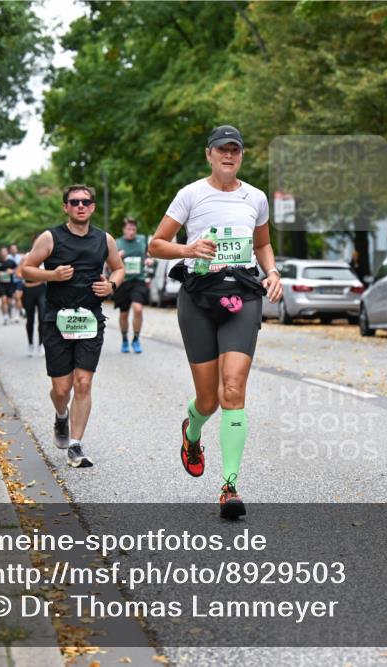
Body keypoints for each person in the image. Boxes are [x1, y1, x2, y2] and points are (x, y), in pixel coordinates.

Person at [148, 125, 283, 519]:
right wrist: (188, 248)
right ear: (209, 154)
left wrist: (271, 272)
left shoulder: (255, 197)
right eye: (222, 150)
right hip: (199, 298)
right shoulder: (190, 194)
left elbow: (262, 244)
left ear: (242, 155)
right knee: (208, 400)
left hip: (242, 294)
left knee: (233, 388)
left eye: (235, 150)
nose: (229, 156)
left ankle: (229, 486)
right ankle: (192, 434)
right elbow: (156, 244)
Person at [21, 185, 124, 468]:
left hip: (90, 318)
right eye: (74, 202)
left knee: (84, 382)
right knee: (62, 388)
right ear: (65, 206)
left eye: (86, 202)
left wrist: (111, 285)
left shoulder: (104, 239)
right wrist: (52, 275)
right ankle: (60, 416)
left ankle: (75, 446)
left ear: (92, 207)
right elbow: (26, 268)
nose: (80, 206)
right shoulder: (50, 237)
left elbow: (119, 267)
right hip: (57, 320)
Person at [113, 217, 149, 353]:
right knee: (124, 314)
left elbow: (148, 255)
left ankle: (136, 339)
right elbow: (110, 263)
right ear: (124, 229)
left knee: (138, 309)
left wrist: (150, 260)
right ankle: (124, 340)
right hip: (123, 281)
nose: (131, 232)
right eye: (129, 229)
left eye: (133, 229)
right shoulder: (117, 243)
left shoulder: (142, 240)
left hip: (138, 280)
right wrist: (117, 256)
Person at [19, 234, 47, 356]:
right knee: (30, 318)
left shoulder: (46, 257)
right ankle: (30, 344)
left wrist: (39, 275)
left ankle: (41, 344)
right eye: (36, 241)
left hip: (41, 289)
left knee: (42, 317)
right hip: (28, 290)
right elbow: (19, 273)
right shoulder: (26, 257)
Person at [0, 245, 18, 324]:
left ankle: (10, 313)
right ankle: (5, 317)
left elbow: (18, 269)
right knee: (3, 300)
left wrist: (12, 271)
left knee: (10, 302)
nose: (3, 253)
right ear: (0, 253)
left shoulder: (11, 262)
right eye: (2, 252)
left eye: (4, 252)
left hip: (10, 284)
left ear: (7, 252)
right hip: (1, 284)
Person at [9, 243, 25, 317]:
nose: (13, 250)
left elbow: (23, 267)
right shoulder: (8, 258)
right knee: (14, 297)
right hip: (10, 281)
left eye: (14, 248)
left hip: (19, 280)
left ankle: (18, 313)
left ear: (17, 249)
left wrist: (14, 271)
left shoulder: (21, 258)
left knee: (18, 296)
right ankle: (19, 309)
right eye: (12, 249)